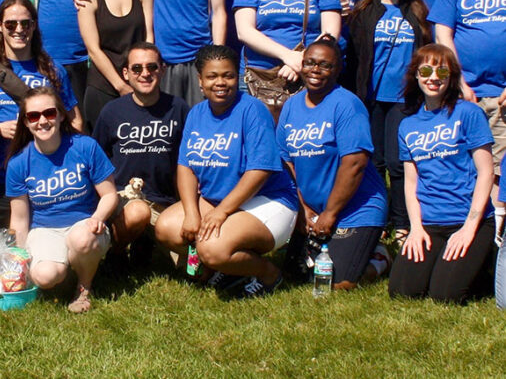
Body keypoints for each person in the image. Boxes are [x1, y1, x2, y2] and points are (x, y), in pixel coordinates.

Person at [155, 45, 299, 297]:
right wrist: (191, 212)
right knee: (167, 227)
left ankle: (268, 273)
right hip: (220, 200)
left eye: (228, 75)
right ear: (200, 81)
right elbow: (186, 166)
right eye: (212, 76)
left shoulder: (253, 110)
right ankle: (227, 268)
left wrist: (222, 212)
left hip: (267, 200)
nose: (220, 82)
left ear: (238, 77)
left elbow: (260, 170)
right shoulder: (197, 113)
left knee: (211, 248)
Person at [278, 37, 389, 289]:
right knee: (297, 274)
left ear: (338, 70)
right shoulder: (291, 106)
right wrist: (305, 208)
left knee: (333, 283)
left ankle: (380, 257)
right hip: (313, 209)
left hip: (355, 209)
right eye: (309, 63)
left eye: (325, 65)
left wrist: (330, 214)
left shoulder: (347, 105)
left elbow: (355, 163)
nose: (315, 70)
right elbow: (287, 163)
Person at [0, 0, 81, 236]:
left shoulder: (52, 70)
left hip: (43, 179)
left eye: (26, 23)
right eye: (11, 24)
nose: (19, 30)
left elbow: (76, 122)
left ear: (34, 25)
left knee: (38, 254)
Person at [389, 44, 495, 303]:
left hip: (470, 220)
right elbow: (410, 183)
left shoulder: (469, 113)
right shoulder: (407, 125)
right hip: (430, 223)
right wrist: (415, 229)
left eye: (442, 72)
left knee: (445, 295)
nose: (433, 77)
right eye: (426, 70)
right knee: (403, 292)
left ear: (452, 77)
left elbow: (486, 172)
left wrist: (469, 228)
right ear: (416, 74)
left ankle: (485, 261)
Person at [7, 86, 119, 313]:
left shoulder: (85, 146)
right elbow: (19, 220)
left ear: (59, 114)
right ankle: (71, 269)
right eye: (33, 116)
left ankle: (83, 288)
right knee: (45, 276)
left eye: (49, 113)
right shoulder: (18, 163)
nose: (42, 121)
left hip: (84, 225)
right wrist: (17, 262)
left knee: (81, 239)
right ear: (26, 123)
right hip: (45, 229)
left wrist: (97, 218)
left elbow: (109, 195)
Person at [430, 0, 506, 239]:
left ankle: (497, 241)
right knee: (470, 167)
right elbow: (443, 34)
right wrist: (459, 83)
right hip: (467, 93)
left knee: (502, 172)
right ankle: (472, 235)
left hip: (503, 93)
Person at [347, 0, 430, 241]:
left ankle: (401, 222)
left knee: (397, 162)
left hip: (403, 98)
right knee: (374, 161)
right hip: (371, 98)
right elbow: (354, 57)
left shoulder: (419, 12)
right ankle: (377, 219)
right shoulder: (364, 12)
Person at [93, 43, 189, 258]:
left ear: (162, 70)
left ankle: (146, 242)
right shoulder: (112, 111)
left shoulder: (178, 108)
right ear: (126, 74)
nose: (145, 74)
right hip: (124, 200)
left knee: (194, 265)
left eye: (151, 67)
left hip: (164, 201)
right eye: (137, 68)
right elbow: (96, 160)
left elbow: (186, 161)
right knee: (138, 213)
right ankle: (113, 254)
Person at [71, 0, 153, 129]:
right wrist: (121, 86)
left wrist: (144, 76)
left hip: (140, 85)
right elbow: (94, 50)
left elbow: (148, 38)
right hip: (103, 89)